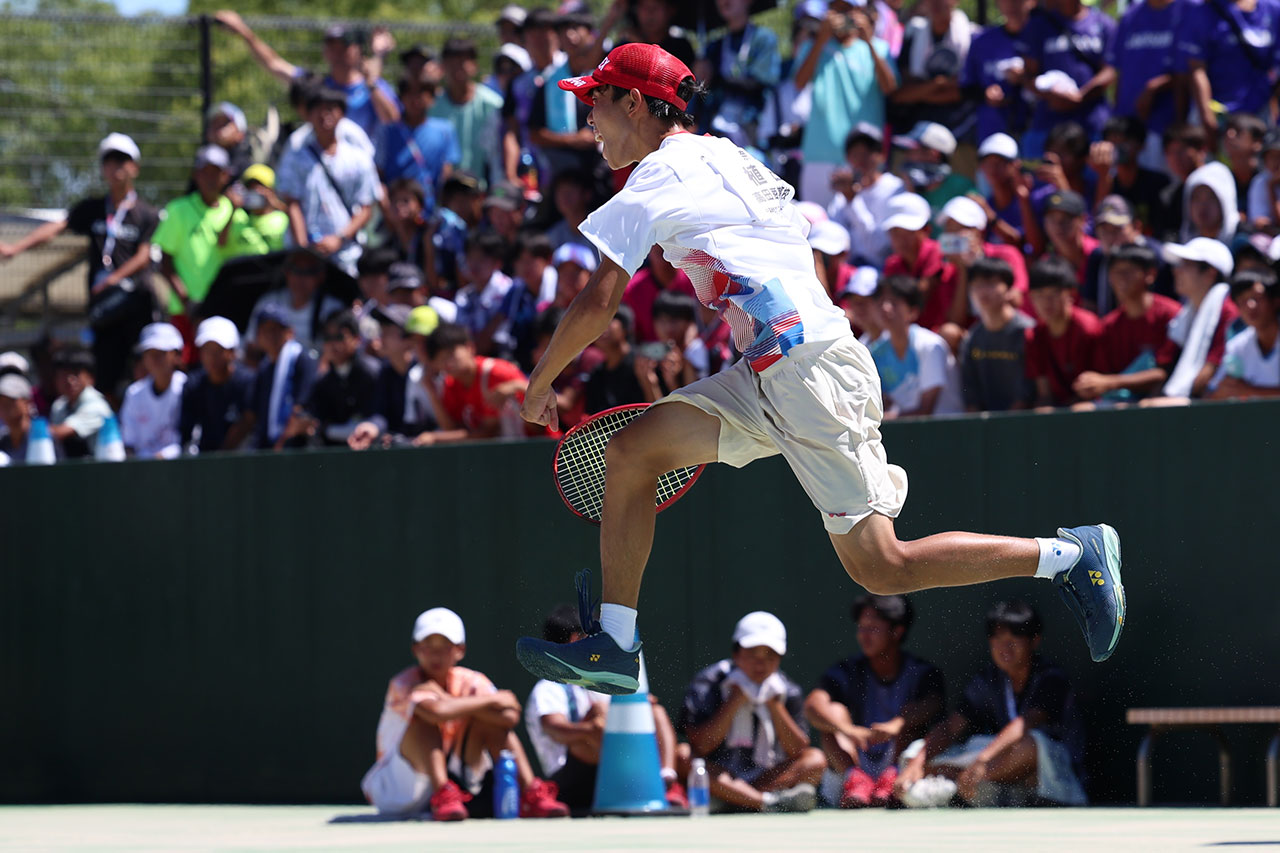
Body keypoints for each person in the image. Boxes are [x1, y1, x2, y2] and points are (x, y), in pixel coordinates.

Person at [512, 43, 1126, 700]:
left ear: (635, 102)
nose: (588, 118)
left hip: (807, 371)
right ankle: (615, 642)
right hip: (774, 365)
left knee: (883, 566)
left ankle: (1072, 555)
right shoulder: (729, 156)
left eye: (595, 100)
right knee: (631, 451)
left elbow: (600, 298)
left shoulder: (659, 174)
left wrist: (539, 381)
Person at [359, 607, 569, 820]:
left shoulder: (470, 680)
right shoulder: (404, 683)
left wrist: (449, 701)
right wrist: (491, 701)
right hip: (398, 791)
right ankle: (443, 794)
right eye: (427, 646)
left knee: (494, 725)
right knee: (424, 722)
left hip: (458, 784)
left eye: (445, 646)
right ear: (415, 649)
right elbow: (435, 713)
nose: (436, 654)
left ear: (460, 650)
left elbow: (510, 717)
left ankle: (531, 795)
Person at [0, 133, 158, 402]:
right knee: (106, 376)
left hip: (136, 302)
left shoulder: (146, 213)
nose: (115, 167)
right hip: (103, 309)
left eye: (122, 160)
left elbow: (144, 256)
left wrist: (113, 279)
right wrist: (16, 248)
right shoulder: (93, 208)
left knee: (143, 366)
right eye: (109, 160)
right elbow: (57, 228)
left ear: (135, 167)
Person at [895, 601, 1087, 808]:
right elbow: (951, 727)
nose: (1005, 647)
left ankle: (955, 786)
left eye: (1014, 638)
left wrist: (983, 761)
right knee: (915, 752)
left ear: (1034, 641)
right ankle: (965, 787)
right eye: (997, 638)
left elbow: (1024, 725)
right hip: (997, 768)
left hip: (1053, 774)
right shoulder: (988, 679)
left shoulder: (1051, 678)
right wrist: (918, 762)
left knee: (1031, 744)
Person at [524, 604, 687, 811]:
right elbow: (553, 727)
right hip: (568, 783)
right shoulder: (549, 687)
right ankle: (640, 781)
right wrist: (592, 729)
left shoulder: (599, 681)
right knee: (599, 714)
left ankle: (667, 781)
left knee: (655, 712)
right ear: (576, 639)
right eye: (595, 635)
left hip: (607, 771)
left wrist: (639, 709)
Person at [805, 594, 945, 809]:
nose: (863, 635)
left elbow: (933, 704)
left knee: (910, 721)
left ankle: (891, 779)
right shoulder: (847, 670)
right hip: (851, 766)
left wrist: (896, 724)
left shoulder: (922, 672)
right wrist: (849, 730)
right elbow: (813, 706)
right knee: (833, 714)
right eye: (861, 628)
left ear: (897, 632)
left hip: (901, 769)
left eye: (873, 628)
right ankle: (855, 779)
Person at [678, 612, 825, 813]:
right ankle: (766, 802)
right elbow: (701, 746)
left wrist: (774, 705)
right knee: (684, 755)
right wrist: (735, 699)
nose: (760, 663)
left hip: (764, 779)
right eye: (752, 654)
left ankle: (734, 799)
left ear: (780, 659)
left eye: (770, 655)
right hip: (719, 775)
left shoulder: (787, 690)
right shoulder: (709, 682)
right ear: (736, 654)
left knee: (815, 759)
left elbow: (797, 751)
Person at [213, 13, 400, 142]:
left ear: (357, 50)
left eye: (343, 46)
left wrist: (371, 82)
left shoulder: (373, 87)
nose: (336, 53)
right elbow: (274, 64)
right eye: (331, 46)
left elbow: (392, 120)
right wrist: (244, 32)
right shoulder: (316, 85)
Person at [152, 146, 267, 346]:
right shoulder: (178, 210)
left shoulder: (236, 214)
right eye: (205, 172)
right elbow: (166, 263)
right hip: (185, 311)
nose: (210, 179)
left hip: (223, 310)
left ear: (226, 176)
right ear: (196, 175)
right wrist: (187, 301)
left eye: (217, 173)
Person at [793, 0, 900, 207]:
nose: (842, 16)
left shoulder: (879, 48)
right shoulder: (813, 47)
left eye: (848, 9)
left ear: (861, 12)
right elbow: (799, 83)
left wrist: (869, 41)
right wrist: (821, 39)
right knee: (816, 223)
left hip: (864, 159)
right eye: (836, 9)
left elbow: (890, 88)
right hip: (819, 155)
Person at [276, 87, 380, 277]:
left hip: (346, 255)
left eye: (331, 108)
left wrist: (339, 238)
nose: (325, 114)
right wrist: (303, 250)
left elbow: (366, 208)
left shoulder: (358, 158)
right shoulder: (295, 156)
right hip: (305, 257)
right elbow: (292, 203)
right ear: (308, 114)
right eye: (318, 109)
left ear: (342, 113)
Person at [1074, 242, 1181, 404]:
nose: (1121, 279)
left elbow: (1164, 373)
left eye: (1129, 272)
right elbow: (1103, 375)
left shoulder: (1171, 314)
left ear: (1150, 274)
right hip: (1119, 405)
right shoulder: (1109, 325)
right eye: (1116, 272)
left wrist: (1109, 382)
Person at [1146, 237, 1239, 401]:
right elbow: (1164, 364)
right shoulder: (1186, 314)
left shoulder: (1229, 310)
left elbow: (1209, 374)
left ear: (1210, 273)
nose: (1176, 271)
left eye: (1186, 265)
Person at [1177, 0, 1280, 147]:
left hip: (1260, 114)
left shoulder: (1273, 9)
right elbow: (1197, 69)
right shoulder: (1203, 12)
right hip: (1218, 117)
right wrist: (1206, 118)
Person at [1021, 0, 1116, 157]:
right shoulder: (1038, 26)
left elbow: (1110, 70)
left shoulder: (1104, 24)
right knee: (1044, 172)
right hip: (1047, 127)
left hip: (1093, 125)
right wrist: (1051, 95)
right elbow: (1028, 75)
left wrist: (1081, 97)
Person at [870, 275, 965, 418]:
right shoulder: (875, 351)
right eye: (880, 302)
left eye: (894, 302)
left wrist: (881, 420)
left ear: (913, 311)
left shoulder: (930, 346)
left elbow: (925, 411)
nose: (885, 308)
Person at [1106, 0, 1183, 172]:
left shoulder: (1187, 9)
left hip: (1166, 129)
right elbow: (1120, 72)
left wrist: (1155, 87)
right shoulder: (1130, 15)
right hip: (1127, 130)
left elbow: (1193, 67)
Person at [377, 68, 460, 219]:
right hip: (395, 215)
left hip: (431, 213)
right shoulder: (387, 132)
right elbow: (379, 175)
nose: (415, 99)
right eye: (409, 93)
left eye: (421, 93)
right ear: (401, 98)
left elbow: (446, 174)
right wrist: (389, 214)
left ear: (432, 98)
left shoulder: (445, 130)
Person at [698, 0, 781, 148]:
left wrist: (717, 77)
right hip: (715, 133)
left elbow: (761, 82)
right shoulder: (714, 46)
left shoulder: (763, 39)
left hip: (752, 135)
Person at [1024, 256, 1103, 408]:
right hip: (1060, 409)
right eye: (1039, 295)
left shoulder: (1087, 328)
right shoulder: (1034, 335)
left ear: (1071, 294)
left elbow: (1097, 385)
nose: (1046, 302)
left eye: (1053, 294)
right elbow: (1044, 393)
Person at [959, 257, 1036, 412]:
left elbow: (1030, 391)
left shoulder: (1028, 332)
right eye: (977, 285)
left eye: (991, 284)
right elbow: (971, 395)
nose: (983, 291)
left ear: (1009, 289)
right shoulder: (971, 338)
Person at [828, 123, 905, 270]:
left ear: (882, 155)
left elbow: (880, 248)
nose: (862, 160)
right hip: (847, 272)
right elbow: (834, 240)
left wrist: (852, 200)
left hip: (883, 270)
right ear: (847, 158)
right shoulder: (841, 195)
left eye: (868, 152)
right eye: (856, 154)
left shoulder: (895, 189)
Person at [432, 37, 505, 183]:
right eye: (452, 63)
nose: (457, 68)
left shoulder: (493, 104)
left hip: (484, 188)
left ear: (475, 66)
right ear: (443, 66)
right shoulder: (432, 107)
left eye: (462, 62)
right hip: (444, 189)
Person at [247, 303, 319, 451]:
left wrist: (280, 443)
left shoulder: (303, 360)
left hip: (298, 448)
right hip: (269, 448)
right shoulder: (264, 369)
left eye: (276, 330)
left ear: (289, 332)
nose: (270, 336)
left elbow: (302, 409)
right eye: (264, 330)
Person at [962, 0, 1034, 144]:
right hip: (992, 131)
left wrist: (1026, 79)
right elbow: (965, 88)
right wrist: (985, 93)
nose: (1011, 5)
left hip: (1034, 129)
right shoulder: (982, 40)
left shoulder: (1043, 36)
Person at [180, 316, 255, 454]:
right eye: (206, 350)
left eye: (218, 350)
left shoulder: (248, 383)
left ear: (232, 353)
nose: (211, 357)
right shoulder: (193, 385)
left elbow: (248, 424)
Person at [245, 249, 344, 352]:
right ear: (286, 272)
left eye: (308, 272)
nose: (301, 278)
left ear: (321, 276)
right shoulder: (268, 302)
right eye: (296, 270)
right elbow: (251, 344)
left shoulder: (332, 309)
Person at [307, 310, 378, 446]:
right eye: (327, 338)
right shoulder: (323, 383)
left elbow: (380, 417)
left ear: (357, 339)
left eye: (339, 337)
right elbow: (319, 424)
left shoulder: (372, 373)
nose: (333, 344)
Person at [119, 322, 187, 459]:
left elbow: (189, 441)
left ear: (176, 355)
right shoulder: (134, 393)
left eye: (161, 353)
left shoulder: (187, 388)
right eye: (149, 353)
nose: (154, 358)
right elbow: (129, 443)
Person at [1209, 269, 1280, 398]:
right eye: (1242, 300)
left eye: (1257, 298)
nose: (1250, 305)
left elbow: (1244, 391)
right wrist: (1227, 389)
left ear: (1275, 300)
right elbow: (1213, 396)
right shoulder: (1237, 346)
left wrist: (1249, 391)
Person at [49, 346, 113, 458]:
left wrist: (26, 426)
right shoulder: (58, 406)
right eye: (64, 374)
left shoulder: (96, 404)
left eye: (75, 373)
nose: (69, 380)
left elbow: (59, 433)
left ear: (89, 377)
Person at [584, 306, 648, 414]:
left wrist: (649, 384)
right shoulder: (596, 375)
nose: (601, 328)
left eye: (608, 320)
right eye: (598, 322)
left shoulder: (644, 363)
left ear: (626, 328)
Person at [0, 372, 36, 465]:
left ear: (27, 402)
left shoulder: (43, 438)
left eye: (11, 400)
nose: (4, 405)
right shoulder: (2, 440)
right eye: (0, 401)